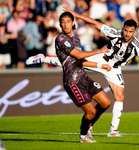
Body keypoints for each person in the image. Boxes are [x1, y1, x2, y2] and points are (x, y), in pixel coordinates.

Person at [26, 6, 139, 137]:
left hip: (114, 68)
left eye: (130, 32)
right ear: (122, 28)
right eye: (125, 30)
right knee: (74, 61)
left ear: (134, 32)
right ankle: (44, 59)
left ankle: (113, 131)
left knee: (120, 97)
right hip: (100, 57)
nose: (127, 34)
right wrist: (75, 15)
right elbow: (95, 23)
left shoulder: (137, 46)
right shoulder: (115, 33)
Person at [27, 11, 112, 143]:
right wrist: (100, 50)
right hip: (73, 82)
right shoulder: (61, 39)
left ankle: (88, 126)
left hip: (84, 77)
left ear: (73, 23)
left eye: (68, 21)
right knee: (90, 112)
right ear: (60, 24)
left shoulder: (76, 40)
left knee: (106, 102)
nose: (65, 25)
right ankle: (84, 135)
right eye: (63, 22)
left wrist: (100, 65)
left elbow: (80, 61)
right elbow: (78, 54)